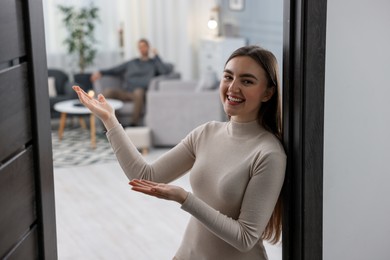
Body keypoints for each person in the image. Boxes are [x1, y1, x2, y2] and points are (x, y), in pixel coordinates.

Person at [73, 45, 286, 260]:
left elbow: (245, 238)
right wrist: (110, 120)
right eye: (228, 77)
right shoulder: (206, 133)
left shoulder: (268, 154)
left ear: (268, 92)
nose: (233, 87)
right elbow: (145, 176)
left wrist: (185, 198)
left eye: (247, 81)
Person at [90, 38, 172, 126]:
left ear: (148, 47)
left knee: (139, 91)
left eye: (144, 46)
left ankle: (133, 124)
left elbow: (164, 71)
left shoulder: (153, 63)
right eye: (140, 47)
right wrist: (101, 72)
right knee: (107, 92)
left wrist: (156, 56)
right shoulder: (132, 63)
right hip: (126, 92)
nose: (142, 49)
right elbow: (116, 69)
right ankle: (114, 124)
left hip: (139, 94)